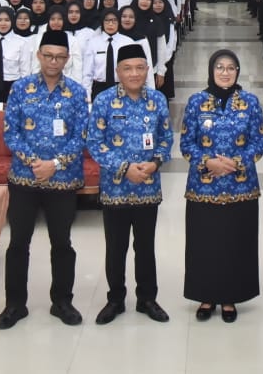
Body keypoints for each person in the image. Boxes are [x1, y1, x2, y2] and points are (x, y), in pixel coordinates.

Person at [0, 29, 90, 329]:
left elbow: (81, 136)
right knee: (18, 243)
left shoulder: (77, 92)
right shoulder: (20, 88)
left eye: (59, 57)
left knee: (62, 243)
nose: (53, 62)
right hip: (25, 178)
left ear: (67, 59)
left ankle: (62, 301)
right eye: (48, 56)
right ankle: (14, 304)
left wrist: (55, 164)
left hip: (62, 180)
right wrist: (34, 163)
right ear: (38, 55)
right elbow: (11, 132)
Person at [87, 43, 172, 325]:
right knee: (116, 247)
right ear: (117, 72)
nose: (134, 74)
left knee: (145, 247)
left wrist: (155, 162)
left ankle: (147, 298)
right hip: (115, 189)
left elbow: (166, 138)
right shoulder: (104, 100)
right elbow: (95, 143)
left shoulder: (157, 100)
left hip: (148, 187)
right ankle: (115, 299)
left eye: (139, 68)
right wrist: (124, 168)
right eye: (127, 68)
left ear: (147, 70)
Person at [181, 48, 263, 322]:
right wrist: (208, 162)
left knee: (236, 242)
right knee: (205, 243)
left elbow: (259, 143)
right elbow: (186, 144)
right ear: (211, 71)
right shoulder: (196, 102)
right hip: (203, 188)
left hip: (241, 187)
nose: (225, 72)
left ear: (238, 72)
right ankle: (206, 296)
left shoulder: (250, 102)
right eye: (219, 67)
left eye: (231, 68)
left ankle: (231, 297)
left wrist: (235, 163)